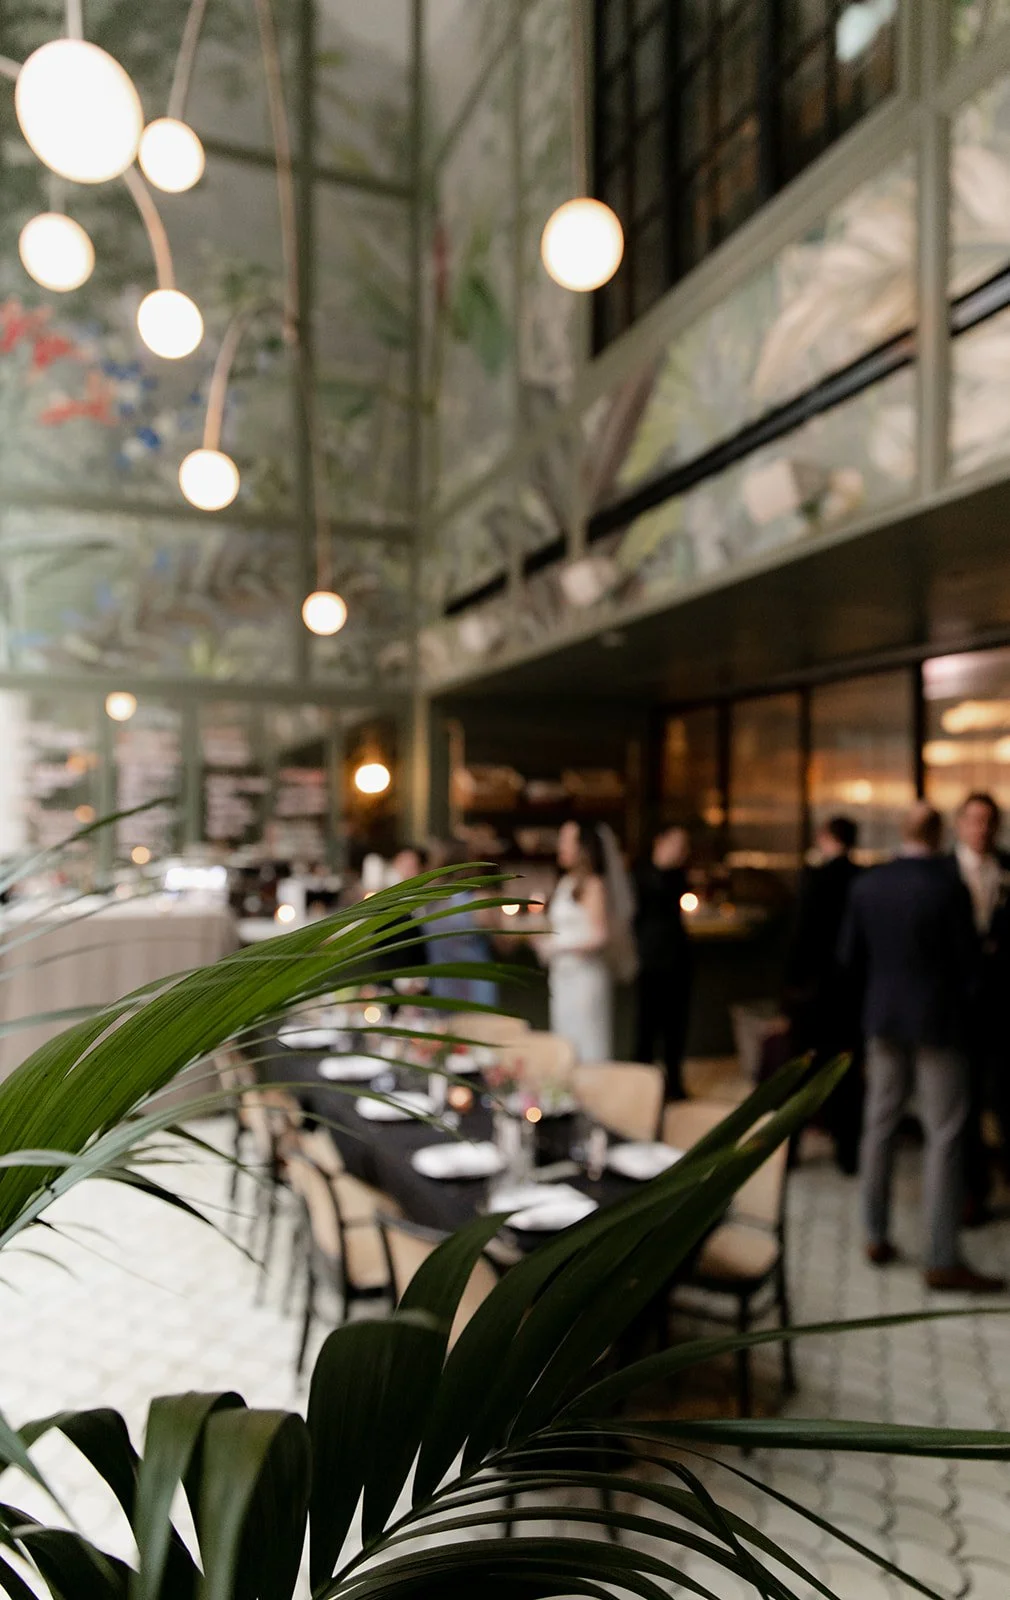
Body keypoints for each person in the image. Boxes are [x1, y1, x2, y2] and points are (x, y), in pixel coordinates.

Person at [840, 802, 1003, 1293]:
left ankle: (875, 1233)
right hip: (939, 1022)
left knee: (880, 1124)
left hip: (883, 1017)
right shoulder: (945, 887)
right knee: (945, 1134)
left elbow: (848, 957)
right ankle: (940, 1256)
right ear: (938, 835)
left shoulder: (868, 884)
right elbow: (969, 964)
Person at [784, 816, 863, 1173]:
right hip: (850, 994)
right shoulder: (863, 880)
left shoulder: (814, 880)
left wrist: (789, 987)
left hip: (813, 994)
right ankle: (847, 1152)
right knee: (846, 1072)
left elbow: (800, 938)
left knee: (801, 1073)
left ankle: (792, 1148)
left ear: (825, 838)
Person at [951, 792, 1010, 1216]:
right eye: (974, 820)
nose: (982, 828)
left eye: (989, 821)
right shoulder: (942, 873)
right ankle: (972, 1191)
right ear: (960, 824)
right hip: (956, 1008)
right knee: (964, 1100)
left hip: (1001, 1005)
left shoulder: (1006, 868)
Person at [538, 821, 613, 1064]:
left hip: (584, 978)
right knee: (564, 1043)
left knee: (587, 1044)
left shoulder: (594, 885)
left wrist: (559, 947)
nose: (560, 847)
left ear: (582, 848)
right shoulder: (566, 883)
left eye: (565, 841)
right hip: (562, 976)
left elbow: (600, 936)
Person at [633, 825, 692, 1100]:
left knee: (676, 1028)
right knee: (647, 1026)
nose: (681, 851)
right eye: (676, 844)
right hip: (649, 960)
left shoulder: (679, 876)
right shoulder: (641, 874)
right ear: (660, 841)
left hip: (678, 958)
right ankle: (643, 1086)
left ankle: (675, 1083)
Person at [422, 841, 498, 1007]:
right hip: (476, 990)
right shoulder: (479, 901)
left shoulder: (429, 901)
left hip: (441, 990)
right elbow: (504, 943)